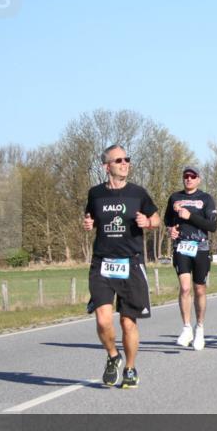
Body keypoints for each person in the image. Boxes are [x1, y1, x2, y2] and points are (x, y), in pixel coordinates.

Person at [82, 145, 160, 389]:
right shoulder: (95, 194)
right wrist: (86, 223)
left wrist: (147, 221)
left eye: (127, 159)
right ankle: (113, 356)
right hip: (102, 264)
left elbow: (156, 219)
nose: (125, 163)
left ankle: (130, 367)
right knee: (104, 320)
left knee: (128, 322)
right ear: (107, 167)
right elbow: (90, 219)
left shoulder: (138, 193)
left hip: (131, 263)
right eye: (119, 160)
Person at [164, 165, 217, 351]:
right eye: (186, 176)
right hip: (181, 247)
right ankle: (187, 327)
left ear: (198, 179)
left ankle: (200, 327)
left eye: (192, 176)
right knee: (185, 288)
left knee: (199, 289)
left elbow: (212, 226)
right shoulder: (175, 198)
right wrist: (170, 230)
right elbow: (168, 221)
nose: (188, 179)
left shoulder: (206, 199)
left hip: (201, 248)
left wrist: (190, 216)